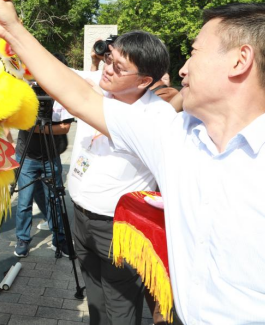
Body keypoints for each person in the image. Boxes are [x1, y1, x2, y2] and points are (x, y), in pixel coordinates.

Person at [0, 0, 265, 325]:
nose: (184, 69)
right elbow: (77, 95)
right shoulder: (174, 140)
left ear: (240, 60)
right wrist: (10, 28)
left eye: (195, 52)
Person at [68, 33, 176, 325]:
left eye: (119, 66)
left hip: (117, 228)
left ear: (144, 80)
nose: (108, 69)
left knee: (121, 306)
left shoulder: (159, 117)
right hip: (80, 216)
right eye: (108, 59)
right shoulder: (99, 90)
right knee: (96, 301)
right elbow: (56, 74)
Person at [14, 53, 74, 258]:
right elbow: (16, 119)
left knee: (55, 199)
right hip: (26, 154)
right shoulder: (27, 89)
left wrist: (36, 127)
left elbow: (65, 128)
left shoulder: (63, 93)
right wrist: (41, 126)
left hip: (51, 155)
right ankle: (22, 239)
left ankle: (60, 240)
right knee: (24, 201)